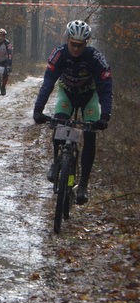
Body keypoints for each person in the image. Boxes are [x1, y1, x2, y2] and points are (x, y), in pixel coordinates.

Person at [33, 20, 113, 205]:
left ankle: (83, 184)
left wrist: (105, 115)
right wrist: (38, 109)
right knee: (60, 122)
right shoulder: (59, 54)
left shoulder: (95, 57)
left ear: (86, 43)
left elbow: (105, 86)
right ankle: (56, 162)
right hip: (67, 93)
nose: (76, 49)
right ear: (67, 39)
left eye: (80, 45)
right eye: (73, 44)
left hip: (88, 97)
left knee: (90, 135)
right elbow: (48, 82)